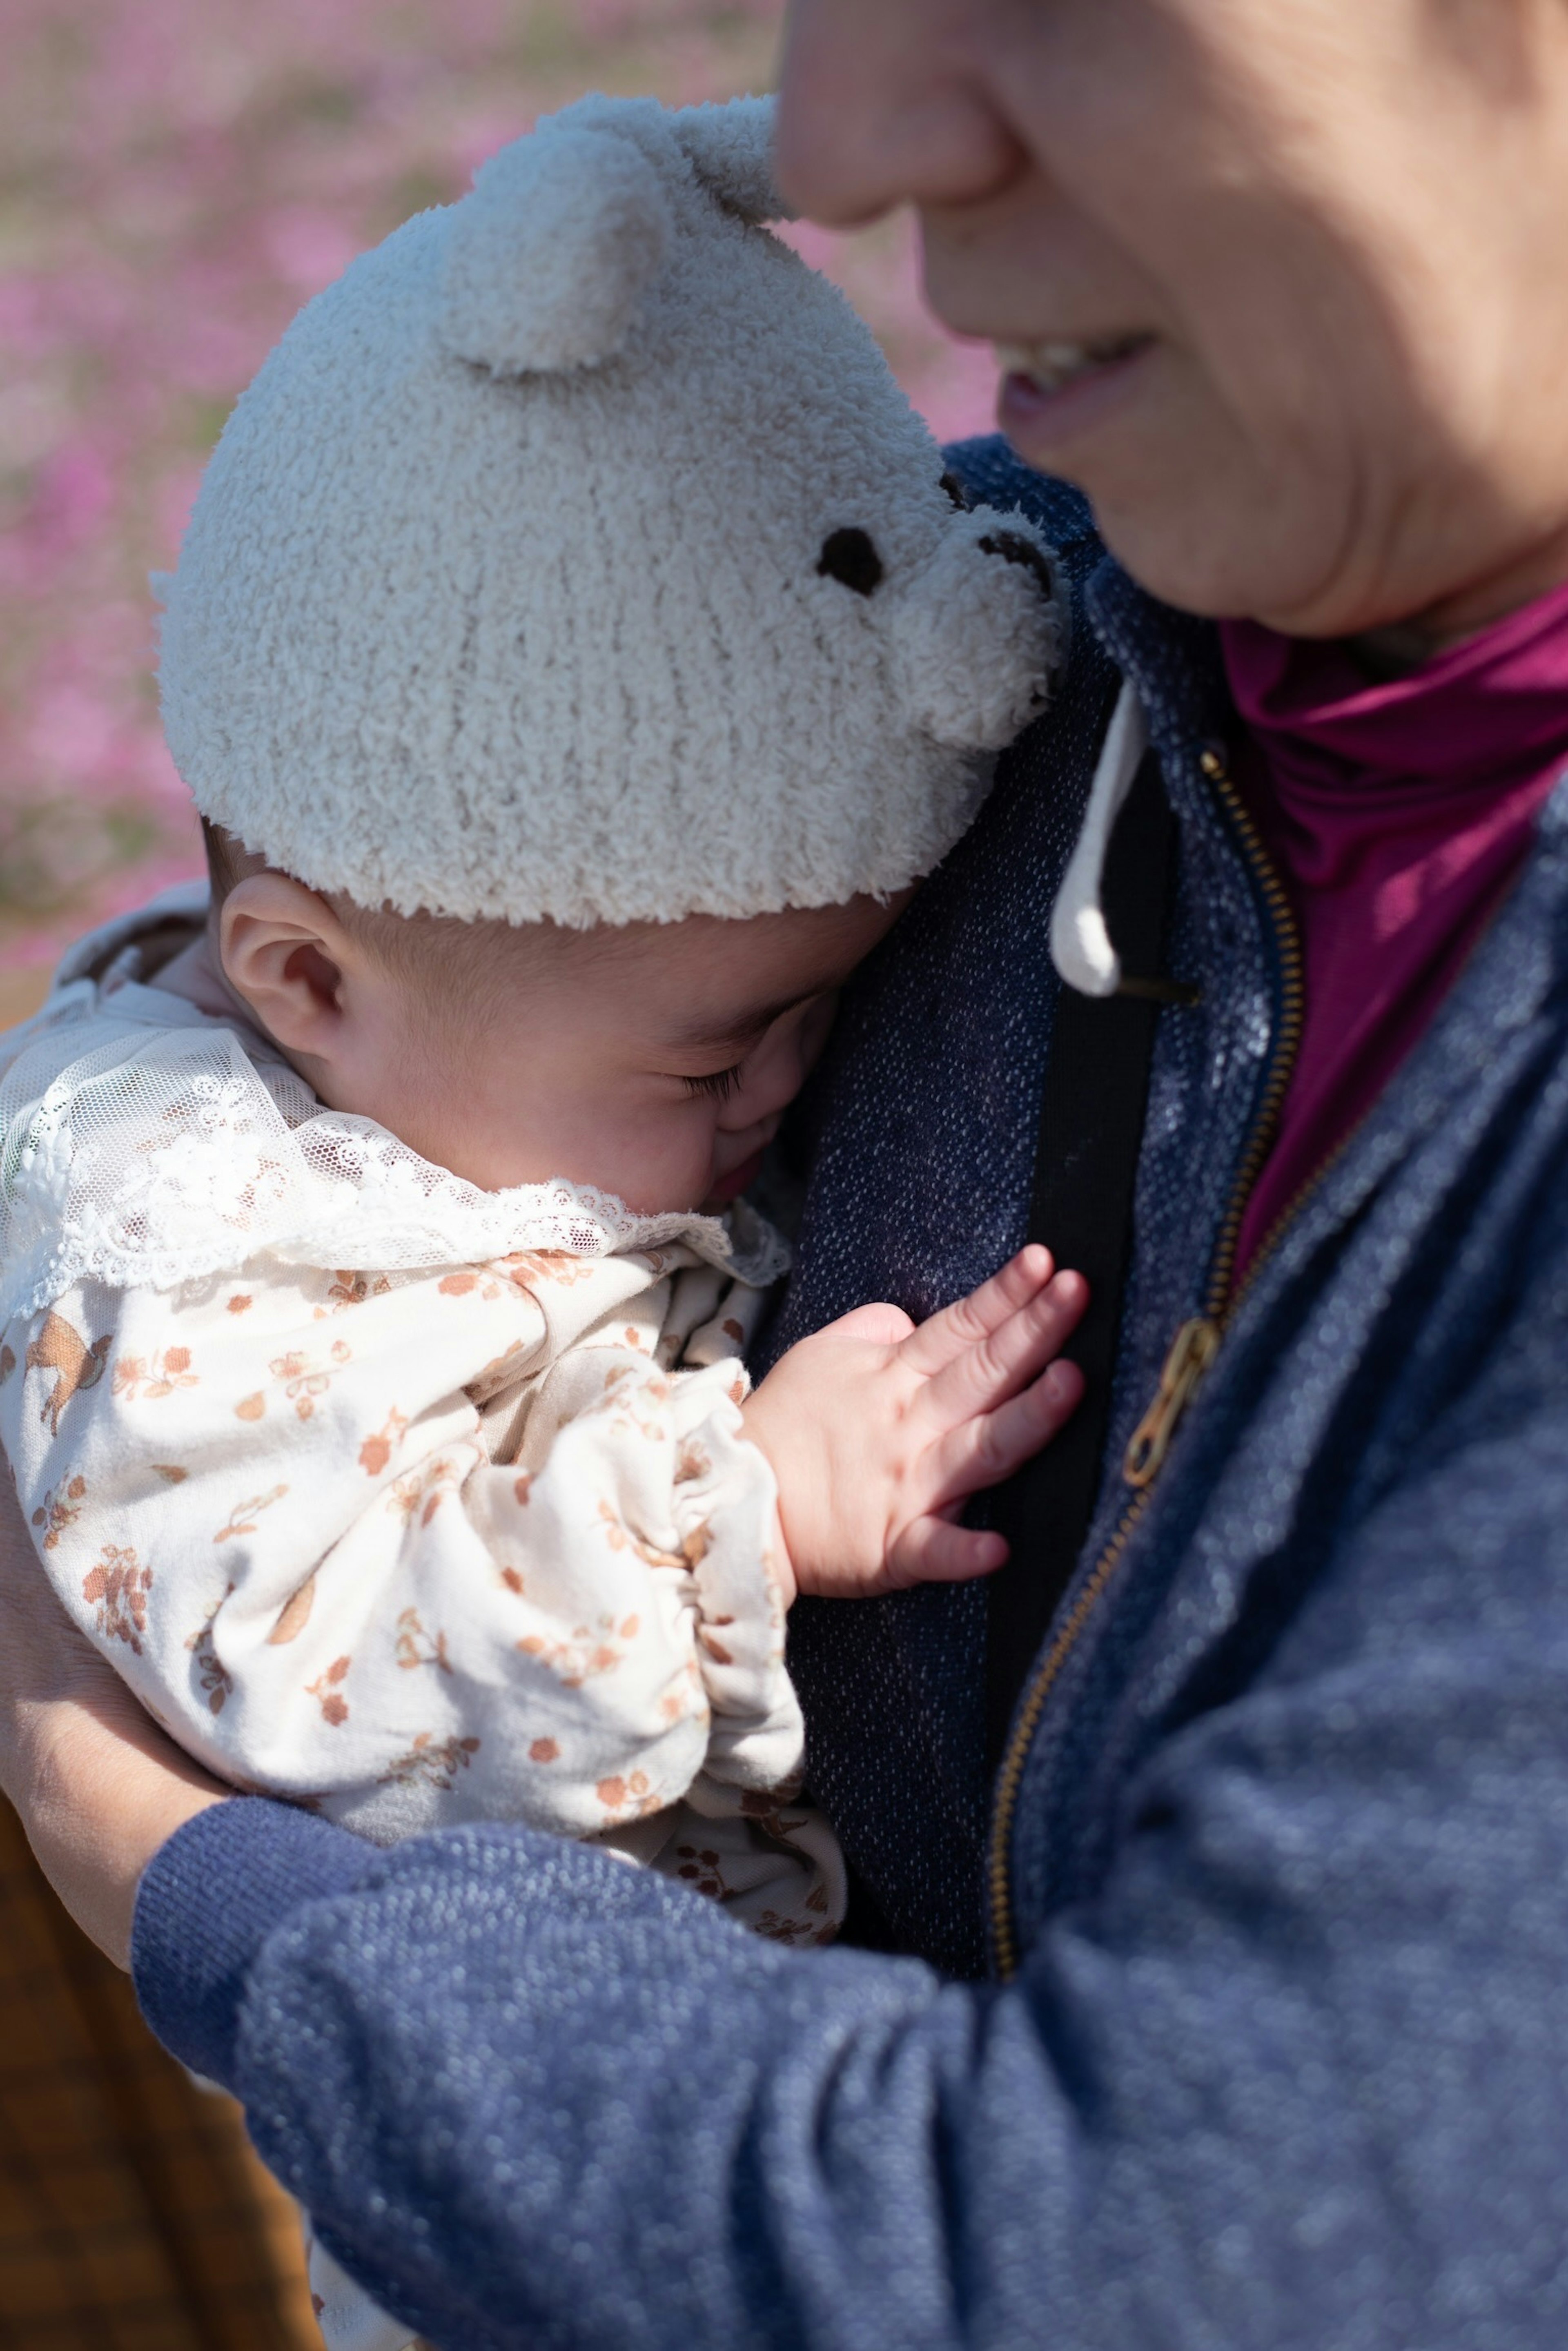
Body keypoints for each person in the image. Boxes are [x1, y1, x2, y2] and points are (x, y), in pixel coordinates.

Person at [6, 2, 1568, 2343]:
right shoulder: (882, 658)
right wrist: (726, 1502)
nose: (845, 140)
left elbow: (1108, 2268)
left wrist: (179, 1875)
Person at [0, 88, 1082, 2351]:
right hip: (502, 2209)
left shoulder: (427, 1067)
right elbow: (317, 1666)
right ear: (305, 976)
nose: (782, 1102)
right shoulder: (203, 1263)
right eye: (720, 1063)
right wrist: (739, 1512)